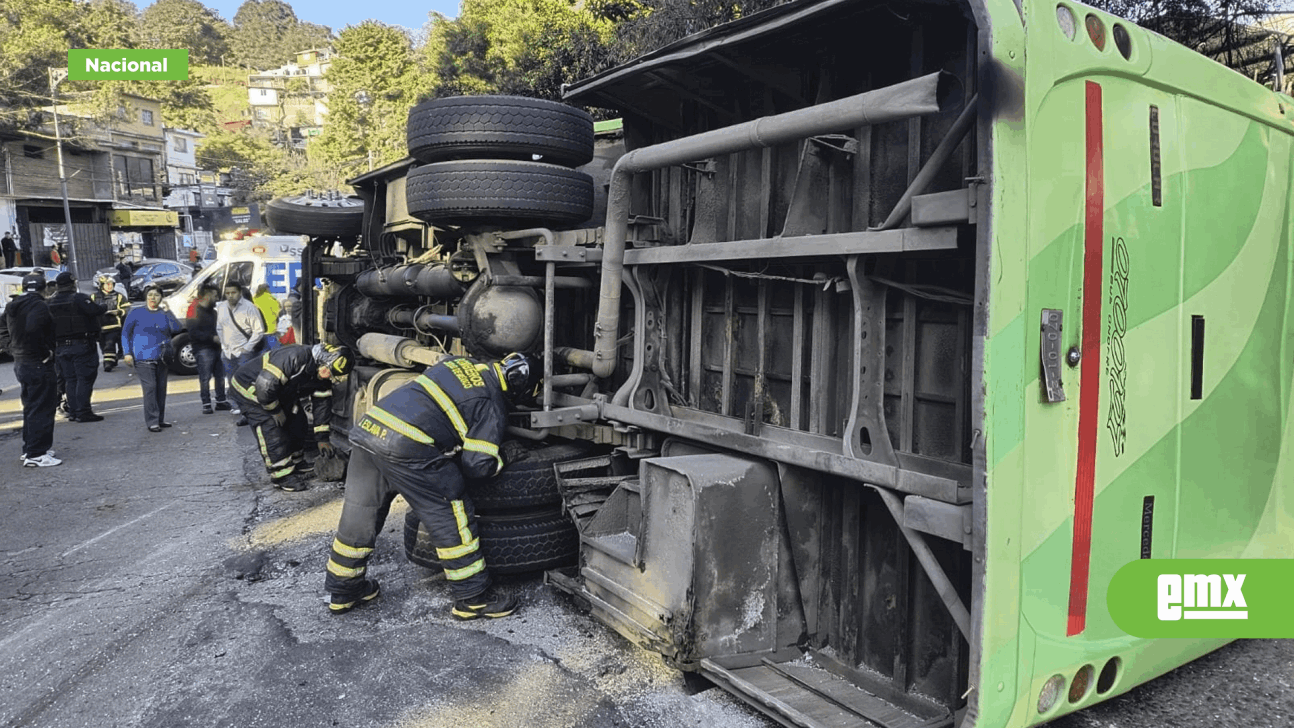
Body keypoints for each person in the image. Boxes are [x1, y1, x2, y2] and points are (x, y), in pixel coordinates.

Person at [323, 352, 541, 619]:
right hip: (407, 445)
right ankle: (474, 597)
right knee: (450, 510)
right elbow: (477, 466)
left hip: (371, 429)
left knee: (359, 515)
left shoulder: (460, 363)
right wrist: (505, 455)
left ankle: (344, 590)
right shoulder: (491, 402)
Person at [230, 343, 351, 492]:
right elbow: (265, 387)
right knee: (271, 427)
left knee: (297, 421)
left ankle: (296, 462)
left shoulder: (323, 376)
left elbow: (322, 406)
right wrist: (275, 410)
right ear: (322, 360)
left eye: (332, 375)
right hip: (251, 387)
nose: (328, 376)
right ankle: (281, 476)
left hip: (278, 392)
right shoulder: (295, 357)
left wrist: (322, 438)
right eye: (328, 371)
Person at [0, 272, 61, 466]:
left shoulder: (12, 306)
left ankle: (30, 449)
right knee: (43, 406)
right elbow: (34, 329)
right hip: (37, 361)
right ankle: (37, 453)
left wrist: (12, 348)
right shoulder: (39, 306)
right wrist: (46, 352)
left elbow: (2, 330)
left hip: (21, 361)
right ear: (44, 288)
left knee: (31, 406)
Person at [47, 272, 108, 423]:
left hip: (60, 347)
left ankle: (74, 411)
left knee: (70, 380)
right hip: (81, 344)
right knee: (84, 378)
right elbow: (96, 310)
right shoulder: (79, 298)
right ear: (73, 284)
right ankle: (83, 411)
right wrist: (104, 305)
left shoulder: (50, 302)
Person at [121, 285, 182, 432]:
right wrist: (127, 353)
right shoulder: (136, 313)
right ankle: (152, 421)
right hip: (143, 357)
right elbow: (125, 334)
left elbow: (177, 328)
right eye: (150, 295)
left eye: (156, 295)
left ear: (161, 298)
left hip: (162, 357)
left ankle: (160, 419)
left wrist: (169, 311)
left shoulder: (164, 313)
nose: (152, 298)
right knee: (150, 388)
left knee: (161, 389)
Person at [216, 281, 265, 425]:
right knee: (232, 381)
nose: (230, 296)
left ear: (240, 293)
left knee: (246, 382)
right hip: (228, 352)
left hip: (244, 351)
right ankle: (238, 406)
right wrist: (224, 345)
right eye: (227, 293)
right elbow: (219, 327)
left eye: (233, 292)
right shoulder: (222, 307)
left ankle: (250, 410)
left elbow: (259, 330)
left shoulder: (249, 307)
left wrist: (248, 348)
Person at [187, 284, 232, 415]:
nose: (217, 298)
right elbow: (193, 332)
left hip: (217, 347)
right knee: (205, 377)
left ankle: (221, 401)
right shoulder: (194, 311)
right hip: (203, 348)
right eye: (215, 295)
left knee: (220, 376)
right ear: (207, 295)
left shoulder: (214, 312)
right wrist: (212, 338)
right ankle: (206, 403)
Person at [91, 273, 130, 372]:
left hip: (114, 326)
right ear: (101, 285)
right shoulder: (93, 297)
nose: (110, 286)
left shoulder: (119, 296)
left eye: (111, 284)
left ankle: (107, 364)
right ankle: (112, 360)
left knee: (109, 344)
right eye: (107, 284)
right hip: (99, 327)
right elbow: (89, 310)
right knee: (104, 347)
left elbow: (126, 308)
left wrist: (119, 312)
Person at [252, 283, 281, 350]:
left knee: (262, 349)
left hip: (258, 328)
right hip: (270, 328)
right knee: (275, 350)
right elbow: (277, 311)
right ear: (266, 289)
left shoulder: (254, 299)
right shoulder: (270, 298)